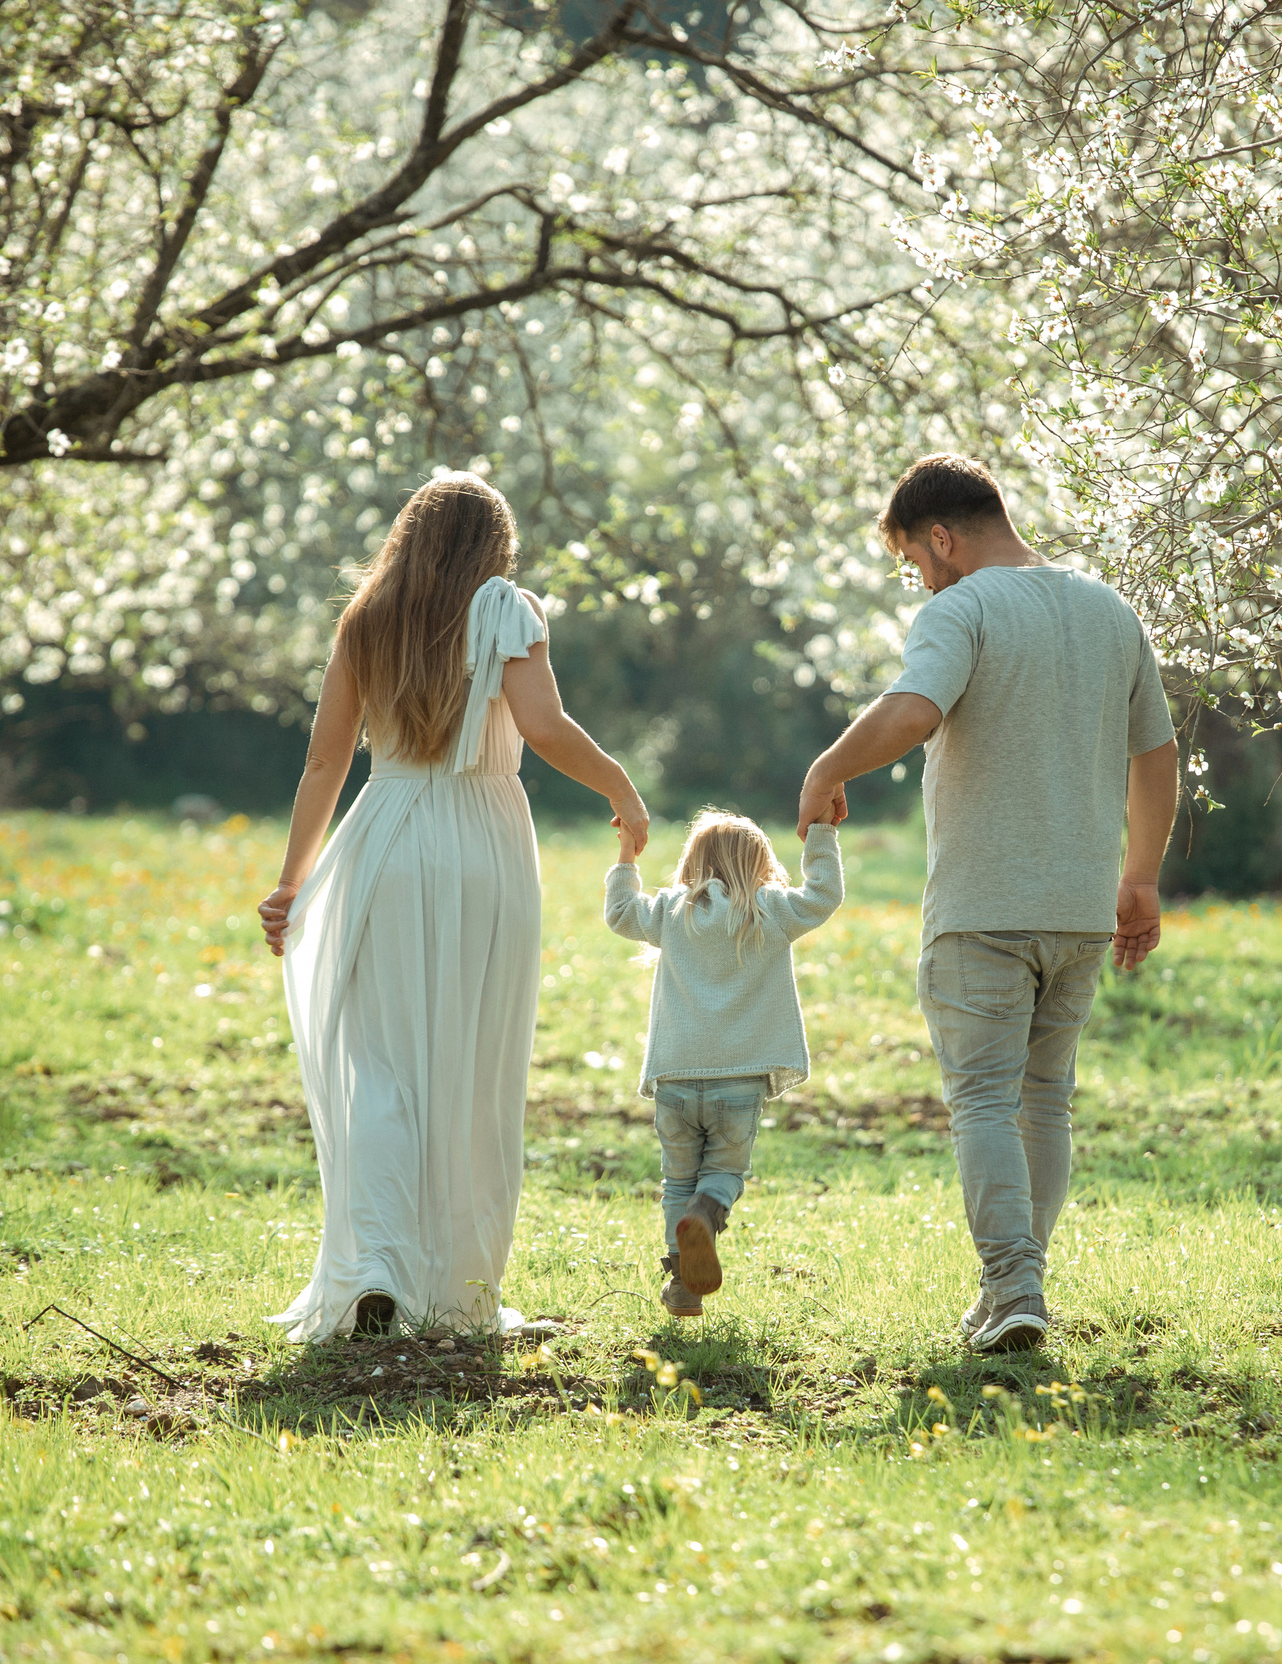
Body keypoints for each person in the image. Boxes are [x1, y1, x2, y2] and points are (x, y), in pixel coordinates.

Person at [795, 454, 1178, 1354]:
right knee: (1047, 1102)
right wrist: (1143, 876)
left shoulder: (958, 608)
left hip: (983, 907)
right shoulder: (1107, 609)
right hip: (1081, 905)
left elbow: (916, 710)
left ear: (942, 536)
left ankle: (1012, 1286)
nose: (917, 579)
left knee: (981, 1101)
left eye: (913, 561)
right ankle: (1018, 1288)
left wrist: (826, 768)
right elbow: (1155, 755)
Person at [255, 473, 649, 1342]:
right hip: (481, 839)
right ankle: (458, 1288)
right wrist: (620, 786)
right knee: (471, 1062)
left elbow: (324, 765)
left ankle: (375, 1271)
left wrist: (291, 881)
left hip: (385, 834)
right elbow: (543, 728)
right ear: (495, 548)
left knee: (383, 1064)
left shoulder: (367, 617)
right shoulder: (508, 607)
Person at [603, 810, 844, 1316]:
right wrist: (822, 834)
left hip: (675, 1081)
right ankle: (706, 1214)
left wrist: (627, 853)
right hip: (739, 1082)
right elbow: (824, 897)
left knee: (677, 1177)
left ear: (692, 862)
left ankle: (681, 1281)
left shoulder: (672, 910)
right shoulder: (769, 909)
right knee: (725, 1172)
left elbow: (621, 913)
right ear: (760, 863)